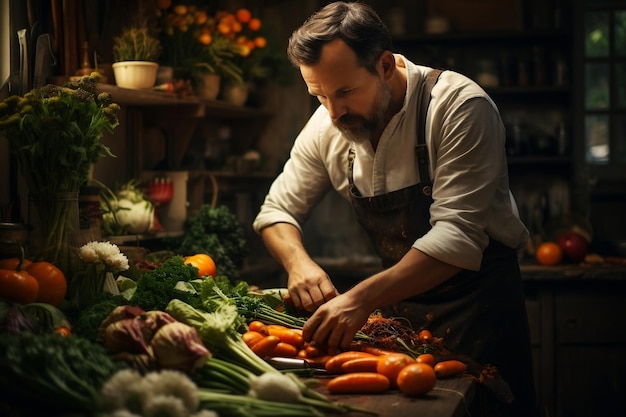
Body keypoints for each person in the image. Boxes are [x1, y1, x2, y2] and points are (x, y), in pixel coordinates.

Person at [253, 2, 537, 416]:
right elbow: (276, 210)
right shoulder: (327, 123)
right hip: (399, 328)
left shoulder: (457, 106)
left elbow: (456, 237)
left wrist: (359, 299)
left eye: (346, 92)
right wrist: (298, 263)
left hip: (481, 316)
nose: (333, 112)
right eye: (319, 95)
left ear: (385, 64)